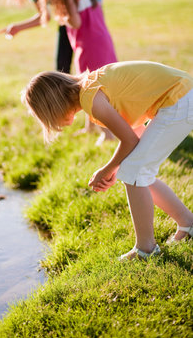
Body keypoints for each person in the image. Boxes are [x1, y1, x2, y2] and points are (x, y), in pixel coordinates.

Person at [22, 61, 193, 260]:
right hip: (181, 95)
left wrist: (106, 170)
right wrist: (116, 168)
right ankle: (187, 224)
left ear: (54, 104)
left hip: (179, 99)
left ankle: (146, 249)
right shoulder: (91, 87)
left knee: (135, 172)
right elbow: (134, 137)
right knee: (136, 170)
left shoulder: (91, 99)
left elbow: (129, 140)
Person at [34, 0, 118, 138]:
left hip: (87, 44)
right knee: (93, 85)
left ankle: (108, 134)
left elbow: (76, 22)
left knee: (92, 88)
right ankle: (91, 127)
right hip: (101, 37)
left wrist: (61, 15)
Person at [0, 0, 73, 73]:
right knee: (62, 67)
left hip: (75, 15)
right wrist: (17, 28)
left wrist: (18, 28)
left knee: (62, 68)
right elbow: (43, 17)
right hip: (67, 19)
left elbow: (45, 17)